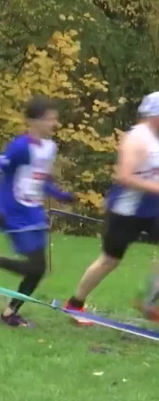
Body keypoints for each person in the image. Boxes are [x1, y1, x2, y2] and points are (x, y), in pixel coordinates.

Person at [0, 95, 75, 327]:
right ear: (34, 121)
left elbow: (41, 180)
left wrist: (61, 195)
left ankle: (9, 312)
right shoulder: (20, 147)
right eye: (50, 119)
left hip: (34, 213)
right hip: (14, 213)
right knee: (37, 267)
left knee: (38, 269)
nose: (54, 124)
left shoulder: (49, 148)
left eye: (55, 119)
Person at [64, 92, 159, 323]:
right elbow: (124, 177)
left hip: (153, 209)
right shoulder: (137, 138)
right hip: (126, 210)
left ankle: (151, 302)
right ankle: (75, 303)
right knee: (110, 259)